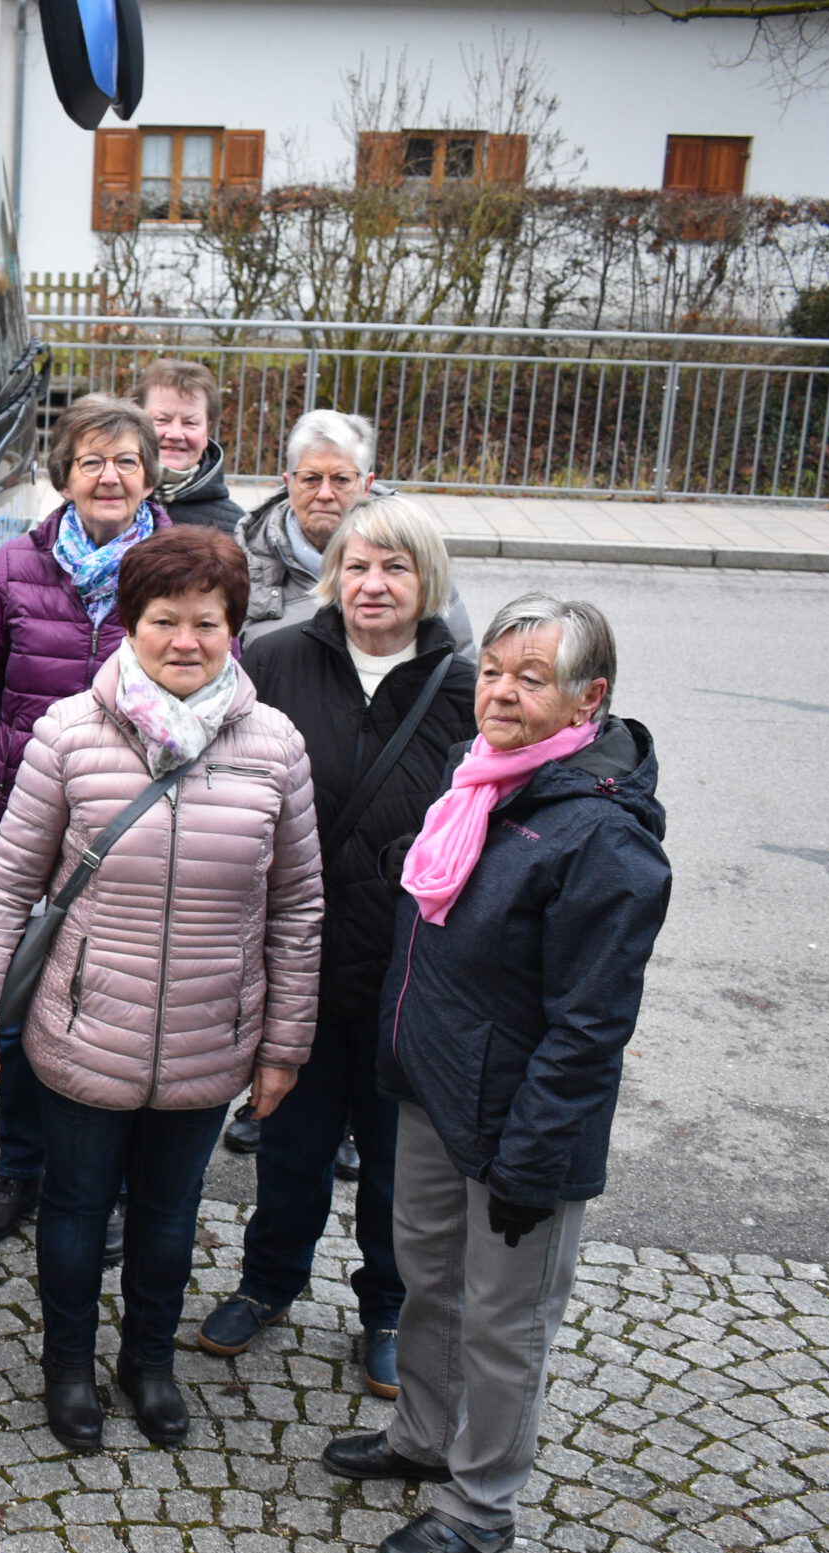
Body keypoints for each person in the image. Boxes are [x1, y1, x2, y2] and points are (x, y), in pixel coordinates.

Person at [0, 528, 322, 1454]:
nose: (185, 639)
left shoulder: (274, 746)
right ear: (129, 625)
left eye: (208, 621)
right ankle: (68, 1366)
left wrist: (284, 1046)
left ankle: (147, 1361)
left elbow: (298, 908)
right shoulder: (69, 733)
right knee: (74, 1208)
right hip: (84, 1028)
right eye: (165, 620)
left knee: (169, 1214)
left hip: (210, 1029)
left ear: (235, 626)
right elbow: (5, 888)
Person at [321, 594, 668, 1553]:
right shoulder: (479, 778)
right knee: (429, 1286)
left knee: (506, 1321)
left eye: (531, 680)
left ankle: (479, 1504)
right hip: (432, 1095)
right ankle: (422, 1439)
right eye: (493, 673)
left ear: (587, 699)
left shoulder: (603, 841)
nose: (502, 696)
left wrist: (533, 1157)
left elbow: (589, 1028)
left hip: (521, 1131)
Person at [196, 494, 477, 1402]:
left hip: (412, 973)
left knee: (400, 1164)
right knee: (290, 1145)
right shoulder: (276, 659)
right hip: (301, 960)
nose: (373, 583)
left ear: (426, 581)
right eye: (357, 565)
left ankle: (389, 1308)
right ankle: (268, 1282)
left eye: (395, 567)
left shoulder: (467, 687)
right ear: (332, 575)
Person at [0, 395, 167, 1250]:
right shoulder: (15, 569)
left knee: (105, 1008)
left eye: (126, 462)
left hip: (132, 833)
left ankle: (99, 1184)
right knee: (19, 997)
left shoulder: (180, 566)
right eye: (90, 461)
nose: (109, 477)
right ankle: (21, 1163)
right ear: (63, 475)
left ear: (151, 475)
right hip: (21, 819)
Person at [238, 409, 474, 653]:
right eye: (311, 479)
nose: (325, 494)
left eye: (341, 479)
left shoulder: (415, 552)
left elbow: (457, 658)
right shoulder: (247, 564)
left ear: (366, 484)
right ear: (289, 485)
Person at [135, 358, 245, 532]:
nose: (175, 434)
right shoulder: (105, 505)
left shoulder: (236, 527)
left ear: (207, 431)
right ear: (137, 423)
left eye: (190, 423)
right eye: (162, 420)